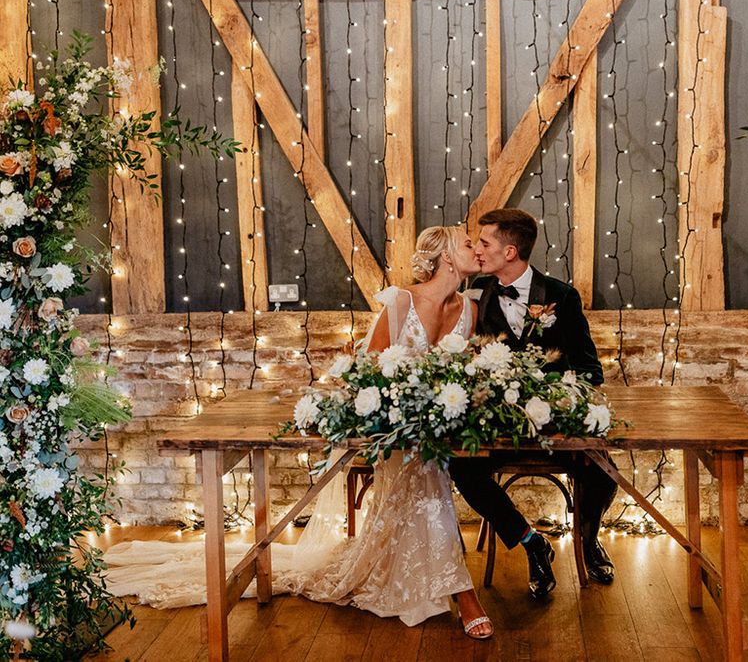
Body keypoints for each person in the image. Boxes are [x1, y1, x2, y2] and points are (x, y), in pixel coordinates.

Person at [104, 226, 494, 639]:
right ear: (447, 256)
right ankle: (464, 595)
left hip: (428, 430)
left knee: (427, 477)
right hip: (388, 429)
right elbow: (369, 373)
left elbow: (458, 376)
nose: (477, 249)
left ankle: (424, 576)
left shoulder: (468, 310)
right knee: (429, 481)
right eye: (469, 243)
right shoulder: (400, 301)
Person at [450, 208, 617, 599]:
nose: (478, 250)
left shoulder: (562, 296)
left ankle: (588, 540)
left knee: (604, 470)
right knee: (462, 467)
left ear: (510, 252)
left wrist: (551, 395)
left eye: (485, 242)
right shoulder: (473, 296)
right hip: (498, 426)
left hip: (553, 424)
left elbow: (590, 368)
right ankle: (531, 544)